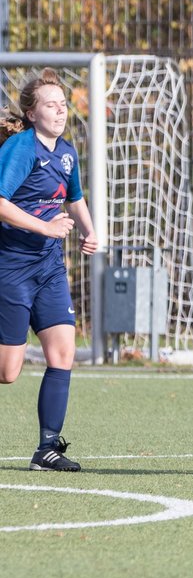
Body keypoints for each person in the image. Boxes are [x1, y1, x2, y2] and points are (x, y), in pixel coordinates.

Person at [0, 68, 99, 471]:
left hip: (49, 268)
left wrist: (90, 231)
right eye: (50, 105)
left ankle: (46, 449)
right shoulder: (21, 149)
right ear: (32, 113)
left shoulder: (67, 152)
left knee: (63, 353)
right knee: (8, 372)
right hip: (11, 266)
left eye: (62, 105)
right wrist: (45, 226)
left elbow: (74, 198)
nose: (59, 112)